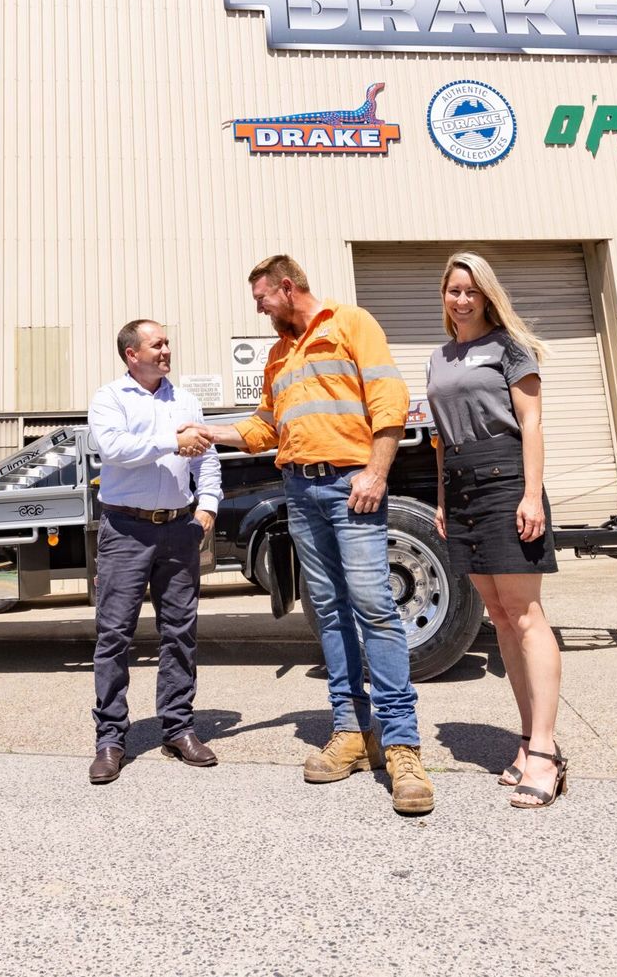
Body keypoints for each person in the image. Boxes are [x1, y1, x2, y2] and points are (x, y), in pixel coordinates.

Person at [198, 255, 433, 816]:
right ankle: (353, 732)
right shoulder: (279, 354)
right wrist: (210, 432)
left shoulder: (350, 323)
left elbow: (389, 400)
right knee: (326, 610)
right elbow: (265, 427)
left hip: (351, 484)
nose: (258, 307)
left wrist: (376, 472)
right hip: (300, 492)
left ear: (286, 286)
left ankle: (401, 744)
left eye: (262, 297)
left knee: (376, 607)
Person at [426, 251, 567, 808]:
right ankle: (527, 739)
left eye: (471, 291)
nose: (461, 300)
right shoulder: (437, 358)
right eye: (453, 290)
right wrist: (441, 500)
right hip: (461, 488)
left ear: (486, 296)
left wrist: (532, 494)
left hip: (506, 479)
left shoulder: (510, 349)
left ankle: (547, 753)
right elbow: (440, 437)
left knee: (526, 614)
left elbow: (531, 421)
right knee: (500, 617)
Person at [84, 319, 222, 784]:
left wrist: (207, 506)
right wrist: (172, 440)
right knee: (114, 635)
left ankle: (178, 728)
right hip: (125, 529)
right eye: (156, 344)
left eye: (166, 343)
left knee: (180, 632)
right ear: (131, 354)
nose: (166, 350)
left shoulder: (184, 400)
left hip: (178, 529)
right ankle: (110, 739)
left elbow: (206, 458)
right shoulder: (110, 399)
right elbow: (115, 448)